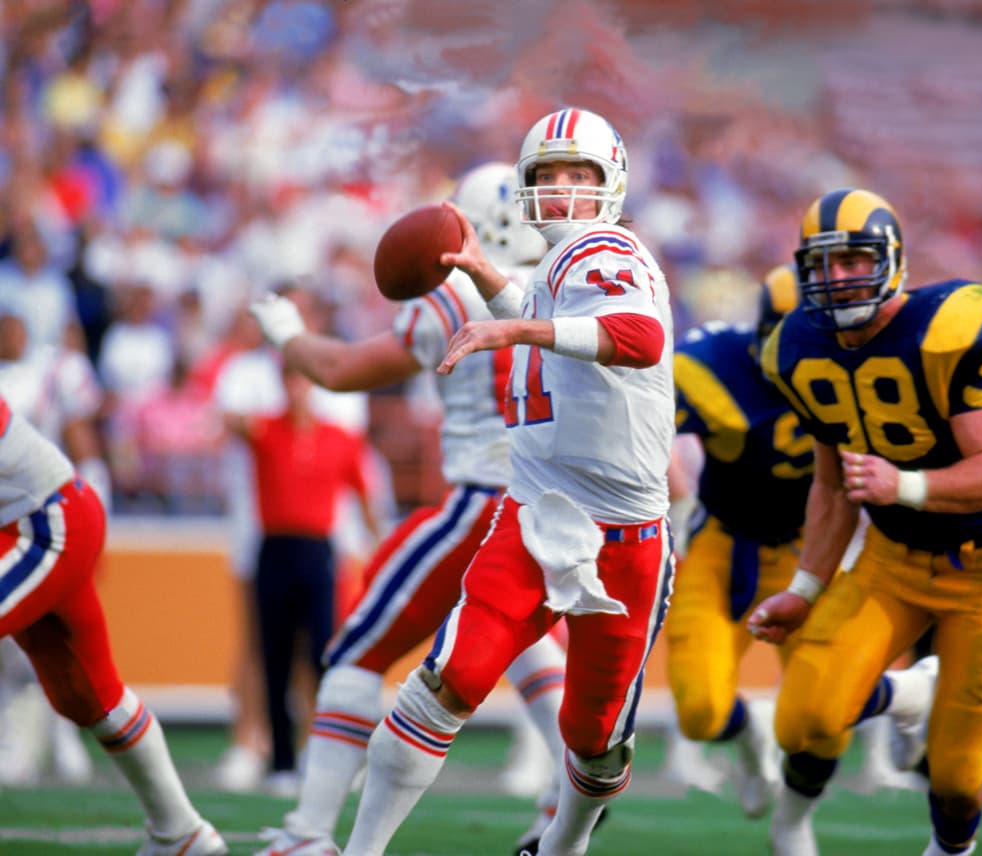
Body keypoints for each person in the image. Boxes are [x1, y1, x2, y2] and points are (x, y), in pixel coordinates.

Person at [340, 107, 674, 856]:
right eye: (545, 177)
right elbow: (535, 309)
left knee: (593, 739)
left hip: (625, 540)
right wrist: (493, 284)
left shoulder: (607, 250)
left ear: (609, 184)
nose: (558, 192)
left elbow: (637, 338)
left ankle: (563, 845)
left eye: (577, 176)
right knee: (446, 679)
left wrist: (516, 329)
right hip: (531, 516)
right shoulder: (556, 266)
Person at [247, 162, 572, 856]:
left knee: (355, 656)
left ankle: (306, 834)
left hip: (480, 501)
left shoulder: (451, 297)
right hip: (557, 509)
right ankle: (565, 791)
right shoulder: (570, 286)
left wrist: (284, 335)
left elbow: (337, 369)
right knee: (527, 640)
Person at [748, 187, 982, 856]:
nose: (837, 276)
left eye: (854, 258)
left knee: (961, 782)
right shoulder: (797, 347)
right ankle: (910, 694)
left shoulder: (949, 330)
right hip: (892, 560)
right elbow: (831, 484)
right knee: (803, 720)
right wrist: (806, 589)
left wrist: (905, 483)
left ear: (892, 260)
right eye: (822, 264)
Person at [666, 263, 937, 820]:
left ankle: (897, 701)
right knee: (700, 712)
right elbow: (639, 425)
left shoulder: (866, 370)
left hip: (810, 549)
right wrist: (675, 500)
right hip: (722, 545)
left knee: (823, 720)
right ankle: (751, 735)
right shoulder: (712, 365)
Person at [0, 392, 228, 855]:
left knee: (90, 695)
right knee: (87, 697)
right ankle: (180, 831)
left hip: (46, 524)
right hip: (52, 516)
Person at [224, 363, 381, 796]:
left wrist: (379, 550)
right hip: (274, 549)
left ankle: (328, 751)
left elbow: (364, 495)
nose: (295, 390)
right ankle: (281, 762)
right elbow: (223, 422)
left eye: (302, 381)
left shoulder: (339, 437)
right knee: (274, 658)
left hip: (318, 553)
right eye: (289, 381)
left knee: (320, 658)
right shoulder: (265, 429)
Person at [0, 308, 106, 785]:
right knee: (15, 644)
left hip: (45, 514)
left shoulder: (49, 372)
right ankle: (17, 741)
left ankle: (62, 738)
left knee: (57, 636)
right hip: (12, 516)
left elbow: (81, 438)